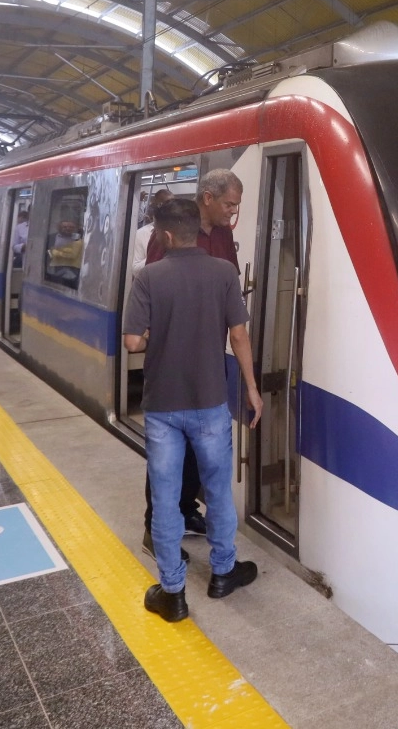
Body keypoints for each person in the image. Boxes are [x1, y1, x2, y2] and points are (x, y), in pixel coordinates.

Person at [124, 197, 264, 622]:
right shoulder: (223, 272)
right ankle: (223, 573)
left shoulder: (148, 277)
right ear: (194, 231)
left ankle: (172, 593)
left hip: (163, 406)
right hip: (209, 404)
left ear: (164, 235)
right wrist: (253, 391)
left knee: (166, 499)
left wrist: (157, 336)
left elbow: (133, 342)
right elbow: (239, 337)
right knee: (218, 491)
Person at [141, 169, 245, 552]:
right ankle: (155, 530)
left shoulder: (224, 236)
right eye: (228, 204)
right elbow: (152, 289)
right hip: (172, 359)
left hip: (208, 355)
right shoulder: (166, 236)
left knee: (197, 449)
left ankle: (185, 510)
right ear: (207, 197)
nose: (232, 213)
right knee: (167, 453)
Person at [131, 189, 173, 276]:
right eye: (166, 205)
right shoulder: (141, 234)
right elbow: (135, 269)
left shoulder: (179, 232)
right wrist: (155, 257)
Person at [45, 218, 83, 287]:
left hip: (73, 271)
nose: (68, 229)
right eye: (65, 227)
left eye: (71, 227)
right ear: (59, 228)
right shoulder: (51, 237)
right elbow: (47, 252)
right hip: (54, 270)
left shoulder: (78, 240)